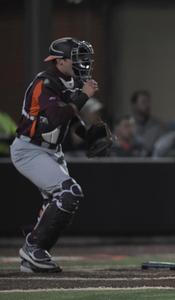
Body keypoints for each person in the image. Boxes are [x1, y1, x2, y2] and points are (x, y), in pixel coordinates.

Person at [10, 37, 100, 272]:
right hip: (30, 149)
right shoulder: (45, 82)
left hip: (51, 151)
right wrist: (84, 96)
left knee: (61, 201)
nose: (83, 63)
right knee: (68, 192)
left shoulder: (68, 81)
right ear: (60, 61)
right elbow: (57, 117)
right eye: (77, 58)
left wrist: (89, 136)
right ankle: (33, 246)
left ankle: (35, 254)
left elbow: (70, 120)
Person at [130, 90, 165, 155]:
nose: (147, 105)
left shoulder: (158, 125)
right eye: (143, 102)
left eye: (148, 102)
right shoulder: (126, 125)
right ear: (134, 105)